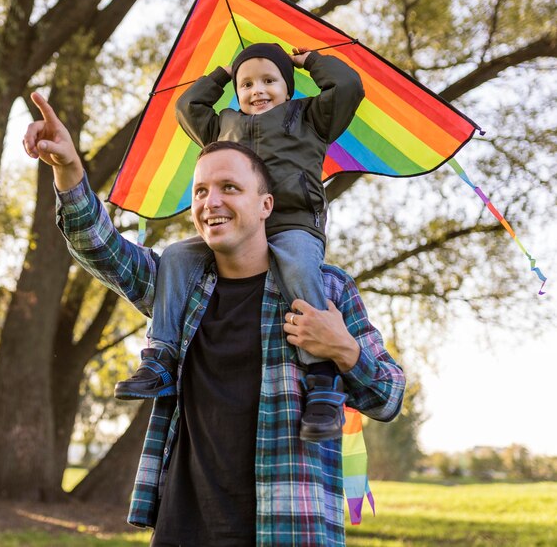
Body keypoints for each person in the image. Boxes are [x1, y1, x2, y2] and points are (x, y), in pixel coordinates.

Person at [24, 98, 405, 545]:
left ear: (266, 204)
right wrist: (68, 170)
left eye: (229, 187)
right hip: (183, 529)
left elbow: (388, 397)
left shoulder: (326, 291)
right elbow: (101, 249)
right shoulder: (180, 285)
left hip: (287, 529)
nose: (211, 202)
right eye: (201, 191)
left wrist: (343, 348)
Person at [115, 42, 366, 442]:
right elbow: (187, 108)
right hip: (234, 229)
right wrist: (222, 75)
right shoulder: (223, 126)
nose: (257, 90)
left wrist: (310, 63)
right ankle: (161, 356)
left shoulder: (309, 117)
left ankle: (322, 381)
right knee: (178, 254)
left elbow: (348, 86)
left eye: (269, 80)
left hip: (292, 224)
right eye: (247, 83)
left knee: (299, 267)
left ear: (289, 87)